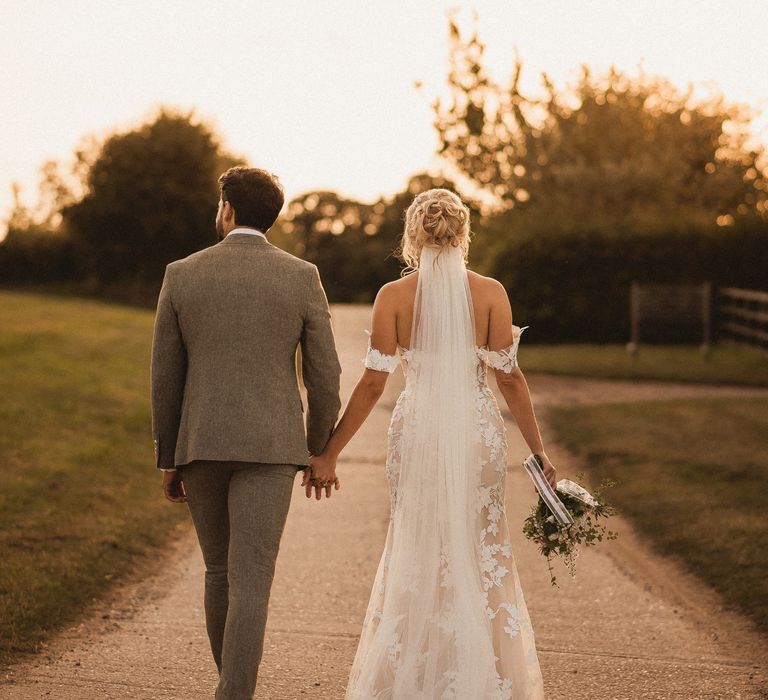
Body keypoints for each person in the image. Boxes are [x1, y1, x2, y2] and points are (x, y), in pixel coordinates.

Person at [309, 188, 552, 698]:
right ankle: (483, 676)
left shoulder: (392, 297)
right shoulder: (490, 292)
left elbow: (374, 383)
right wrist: (538, 451)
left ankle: (414, 677)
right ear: (463, 234)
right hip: (476, 428)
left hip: (418, 428)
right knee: (480, 543)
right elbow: (509, 379)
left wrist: (329, 452)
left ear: (412, 237)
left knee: (418, 544)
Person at [150, 166, 342, 699]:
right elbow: (325, 375)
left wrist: (169, 455)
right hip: (271, 447)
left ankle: (230, 688)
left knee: (219, 571)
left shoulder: (181, 274)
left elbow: (165, 376)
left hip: (201, 443)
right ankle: (235, 692)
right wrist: (316, 446)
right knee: (252, 578)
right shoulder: (302, 276)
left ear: (228, 208)